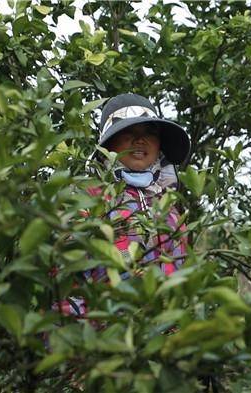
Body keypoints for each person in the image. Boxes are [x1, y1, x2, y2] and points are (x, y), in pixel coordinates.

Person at [55, 93, 191, 316]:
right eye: (128, 132)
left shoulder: (171, 209)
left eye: (150, 132)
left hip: (168, 338)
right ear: (108, 144)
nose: (140, 140)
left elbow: (184, 277)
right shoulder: (87, 198)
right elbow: (65, 280)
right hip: (106, 335)